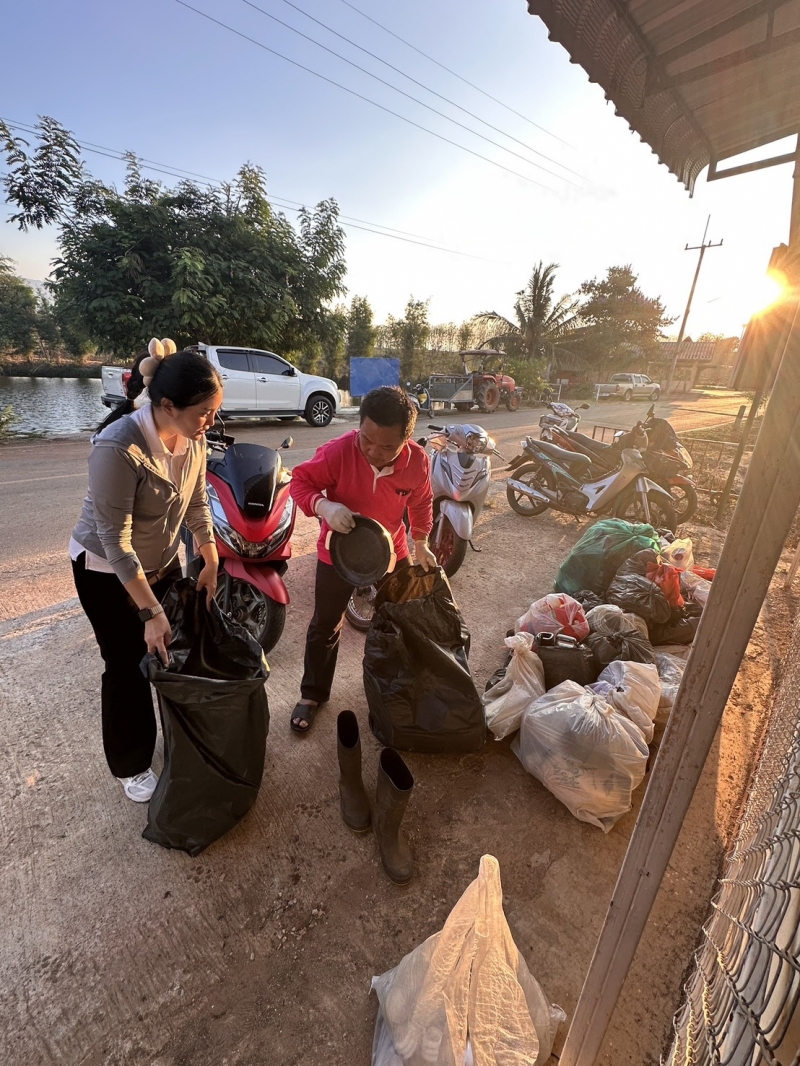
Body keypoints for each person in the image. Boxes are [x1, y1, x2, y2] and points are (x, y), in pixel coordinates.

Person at [69, 339, 223, 802]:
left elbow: (197, 503)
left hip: (161, 560)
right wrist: (151, 611)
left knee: (171, 653)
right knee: (127, 666)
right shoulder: (118, 447)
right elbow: (115, 542)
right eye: (204, 413)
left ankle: (178, 739)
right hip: (106, 572)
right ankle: (131, 764)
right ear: (168, 405)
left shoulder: (193, 440)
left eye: (215, 411)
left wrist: (210, 556)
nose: (211, 422)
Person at [289, 386, 436, 733]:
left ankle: (394, 690)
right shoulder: (338, 451)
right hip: (338, 553)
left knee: (399, 621)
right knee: (325, 624)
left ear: (406, 439)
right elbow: (300, 482)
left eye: (386, 447)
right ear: (359, 426)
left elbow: (421, 502)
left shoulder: (417, 461)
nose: (373, 451)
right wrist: (324, 506)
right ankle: (312, 694)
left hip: (390, 552)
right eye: (366, 440)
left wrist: (421, 542)